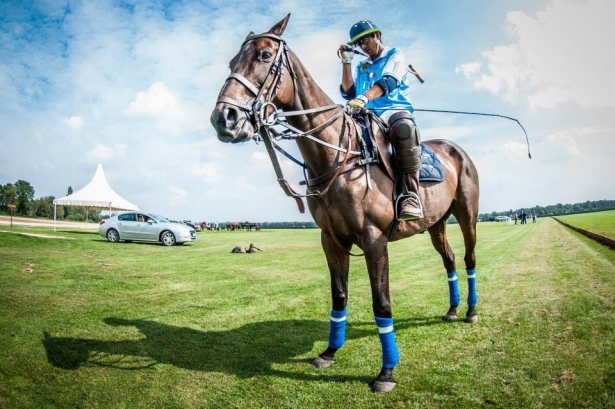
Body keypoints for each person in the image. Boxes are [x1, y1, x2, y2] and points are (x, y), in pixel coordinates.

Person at [338, 20, 422, 221]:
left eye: (365, 41)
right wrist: (346, 62)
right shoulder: (362, 65)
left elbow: (389, 82)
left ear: (377, 36)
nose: (362, 47)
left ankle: (411, 195)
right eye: (358, 45)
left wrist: (364, 98)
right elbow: (349, 92)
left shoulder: (395, 54)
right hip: (366, 116)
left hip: (392, 112)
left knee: (403, 128)